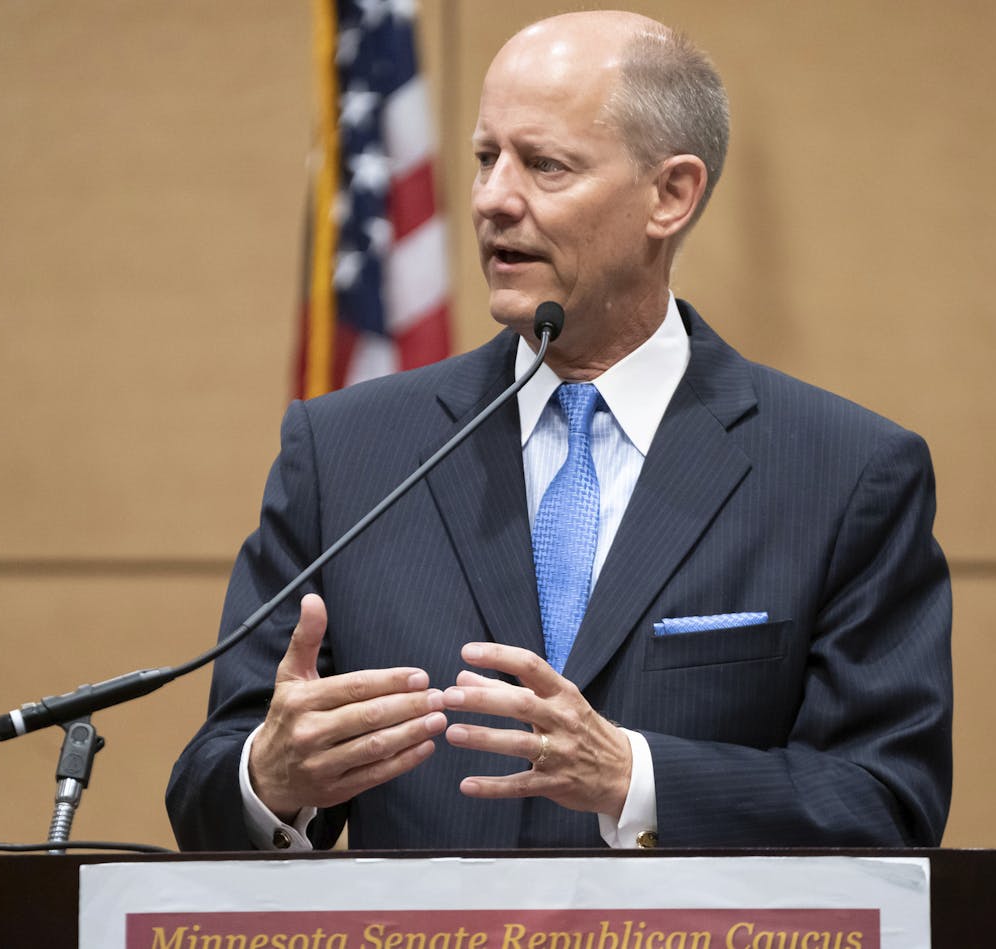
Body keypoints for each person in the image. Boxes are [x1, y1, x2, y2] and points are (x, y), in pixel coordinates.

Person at [167, 10, 951, 852]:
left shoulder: (844, 473)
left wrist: (633, 777)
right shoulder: (348, 453)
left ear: (671, 195)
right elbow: (211, 788)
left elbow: (887, 804)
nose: (494, 199)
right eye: (484, 159)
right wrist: (269, 780)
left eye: (545, 165)